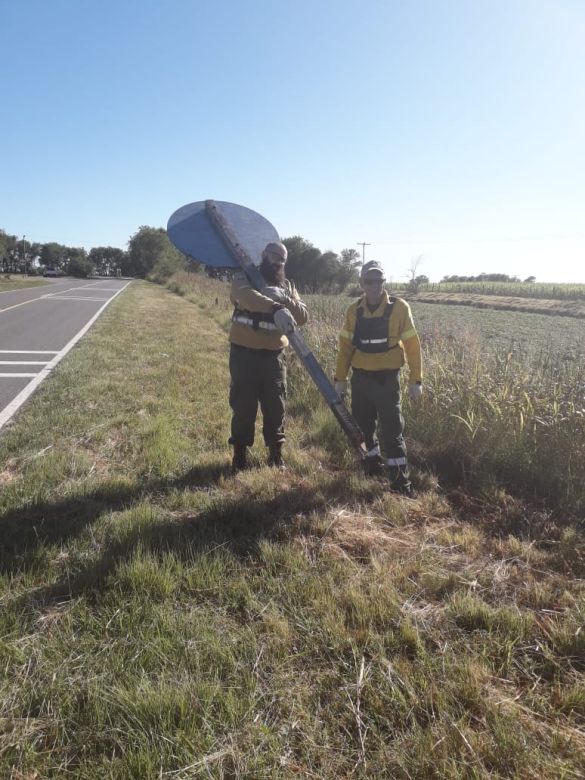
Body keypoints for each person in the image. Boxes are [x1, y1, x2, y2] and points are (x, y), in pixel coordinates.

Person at [334, 260, 422, 495]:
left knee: (393, 431)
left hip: (387, 383)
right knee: (363, 429)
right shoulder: (354, 311)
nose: (374, 285)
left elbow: (413, 346)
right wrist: (340, 379)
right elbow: (345, 348)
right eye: (369, 281)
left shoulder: (399, 308)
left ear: (384, 282)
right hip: (360, 380)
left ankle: (400, 484)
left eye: (378, 280)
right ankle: (372, 469)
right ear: (362, 283)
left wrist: (416, 380)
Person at [228, 241, 308, 471]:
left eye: (282, 259)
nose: (278, 262)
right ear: (264, 255)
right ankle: (240, 456)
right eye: (275, 257)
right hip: (244, 355)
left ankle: (275, 456)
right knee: (243, 406)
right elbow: (245, 298)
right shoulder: (244, 278)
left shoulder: (288, 286)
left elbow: (303, 316)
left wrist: (285, 298)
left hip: (274, 357)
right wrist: (274, 307)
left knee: (276, 407)